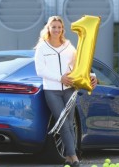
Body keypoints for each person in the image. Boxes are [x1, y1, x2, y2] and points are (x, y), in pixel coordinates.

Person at [34, 16, 97, 167]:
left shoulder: (68, 46)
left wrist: (92, 75)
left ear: (63, 29)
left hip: (70, 89)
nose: (56, 29)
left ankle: (69, 159)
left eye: (59, 27)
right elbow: (40, 70)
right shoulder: (42, 48)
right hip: (52, 91)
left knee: (69, 122)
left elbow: (80, 63)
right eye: (53, 27)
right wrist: (59, 78)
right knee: (62, 122)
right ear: (48, 29)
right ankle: (74, 156)